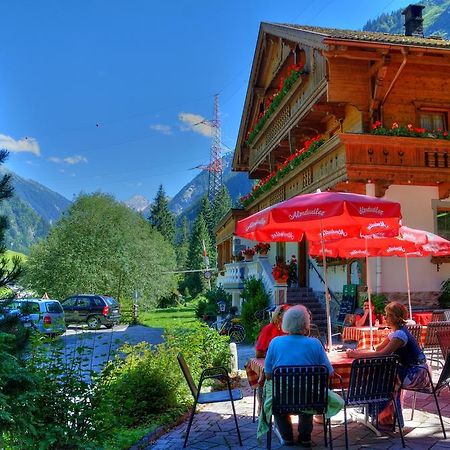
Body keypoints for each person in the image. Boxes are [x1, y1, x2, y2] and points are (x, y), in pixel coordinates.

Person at [346, 301, 429, 426]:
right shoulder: (396, 333)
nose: (385, 317)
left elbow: (381, 354)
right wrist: (359, 350)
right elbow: (377, 349)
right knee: (383, 374)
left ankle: (375, 411)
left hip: (417, 374)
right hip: (413, 370)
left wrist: (356, 355)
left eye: (388, 315)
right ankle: (375, 411)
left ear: (397, 317)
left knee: (385, 377)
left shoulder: (400, 335)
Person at [265, 305, 333, 447]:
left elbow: (268, 374)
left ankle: (287, 436)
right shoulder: (315, 343)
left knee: (277, 401)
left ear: (286, 323)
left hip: (283, 399)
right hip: (310, 399)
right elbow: (329, 373)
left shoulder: (275, 343)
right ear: (306, 324)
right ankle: (305, 436)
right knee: (307, 396)